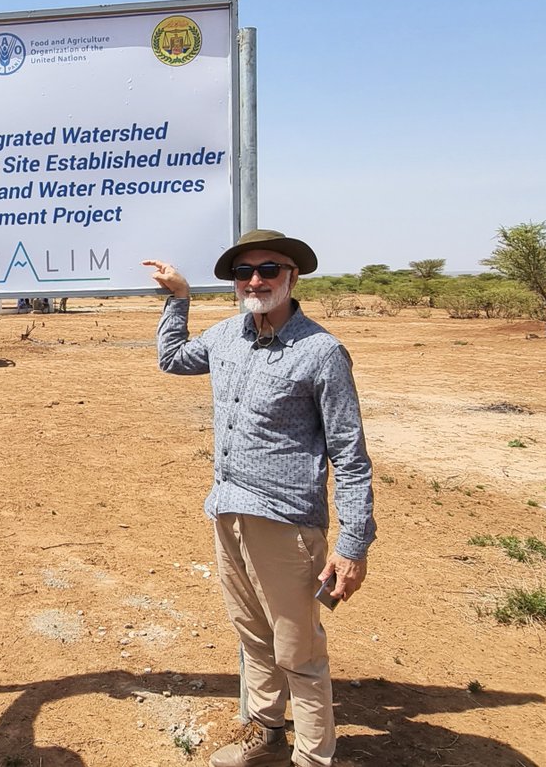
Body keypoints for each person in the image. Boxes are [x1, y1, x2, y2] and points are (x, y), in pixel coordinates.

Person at [143, 229, 376, 767]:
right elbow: (174, 360)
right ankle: (267, 732)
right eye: (243, 272)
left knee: (299, 650)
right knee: (252, 634)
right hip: (227, 509)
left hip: (287, 522)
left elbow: (351, 454)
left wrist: (354, 543)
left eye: (269, 269)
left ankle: (314, 757)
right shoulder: (227, 336)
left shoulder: (322, 352)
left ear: (292, 277)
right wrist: (179, 299)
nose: (254, 280)